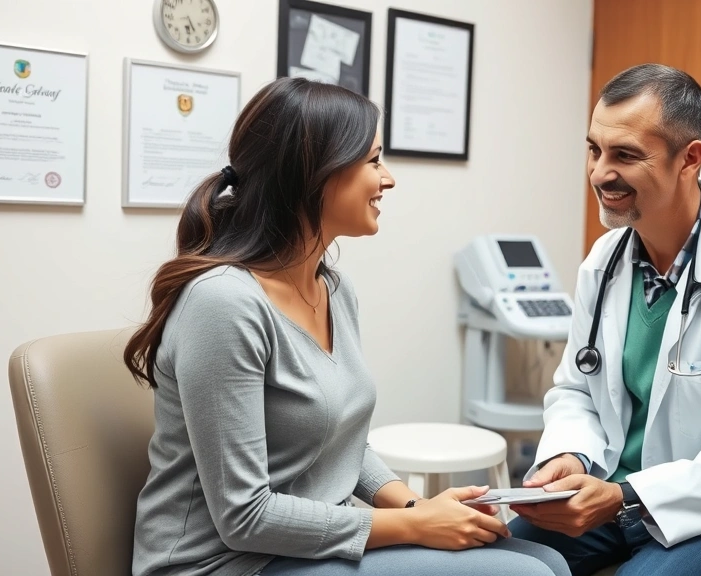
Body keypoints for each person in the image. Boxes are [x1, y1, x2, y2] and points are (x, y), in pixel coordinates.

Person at [123, 77, 570, 576]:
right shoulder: (224, 303)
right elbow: (244, 518)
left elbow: (342, 443)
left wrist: (414, 507)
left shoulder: (333, 289)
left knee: (547, 560)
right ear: (315, 174)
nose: (389, 179)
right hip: (223, 563)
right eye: (374, 160)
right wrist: (417, 527)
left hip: (302, 544)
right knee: (525, 574)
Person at [506, 63, 701, 576]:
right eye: (594, 149)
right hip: (607, 489)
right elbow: (575, 391)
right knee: (498, 563)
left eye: (625, 155)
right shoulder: (604, 260)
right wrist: (571, 457)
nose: (599, 173)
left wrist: (624, 495)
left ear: (689, 159)